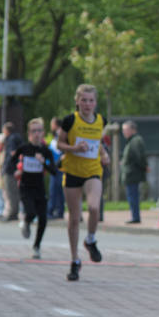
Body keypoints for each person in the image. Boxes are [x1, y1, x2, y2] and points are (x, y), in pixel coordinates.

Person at [58, 84, 110, 281]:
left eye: (91, 100)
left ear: (95, 103)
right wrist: (74, 148)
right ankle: (75, 261)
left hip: (93, 171)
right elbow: (59, 144)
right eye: (84, 100)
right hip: (72, 172)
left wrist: (104, 154)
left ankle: (90, 240)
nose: (87, 104)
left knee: (95, 208)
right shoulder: (70, 120)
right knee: (74, 218)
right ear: (77, 101)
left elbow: (99, 142)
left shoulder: (101, 120)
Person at [9, 118, 57, 259]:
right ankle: (26, 222)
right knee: (30, 212)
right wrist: (15, 171)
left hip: (39, 188)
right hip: (25, 186)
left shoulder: (46, 151)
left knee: (43, 218)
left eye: (39, 131)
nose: (37, 134)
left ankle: (36, 246)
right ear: (29, 133)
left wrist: (44, 163)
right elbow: (11, 163)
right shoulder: (24, 149)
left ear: (43, 133)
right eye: (34, 131)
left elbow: (54, 171)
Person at [121, 120, 148, 224]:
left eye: (125, 130)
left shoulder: (135, 141)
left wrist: (144, 167)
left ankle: (135, 217)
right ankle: (134, 216)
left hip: (133, 174)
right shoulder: (132, 141)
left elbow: (139, 157)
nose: (123, 132)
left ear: (132, 130)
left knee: (133, 196)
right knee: (132, 196)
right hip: (131, 173)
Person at [0, 122, 23, 222]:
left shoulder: (11, 139)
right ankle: (14, 211)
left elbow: (12, 153)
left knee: (10, 192)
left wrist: (6, 167)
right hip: (15, 169)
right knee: (14, 192)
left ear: (6, 130)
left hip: (10, 170)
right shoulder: (17, 138)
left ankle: (13, 213)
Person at [47, 117, 65, 219]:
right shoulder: (54, 136)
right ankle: (55, 210)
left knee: (56, 189)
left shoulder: (61, 134)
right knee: (54, 189)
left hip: (59, 166)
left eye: (52, 124)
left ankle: (56, 211)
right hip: (53, 165)